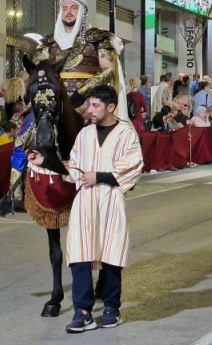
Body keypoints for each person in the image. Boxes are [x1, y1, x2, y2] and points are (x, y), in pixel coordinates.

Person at [27, 85, 143, 333]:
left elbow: (133, 166)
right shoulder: (85, 134)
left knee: (111, 254)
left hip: (110, 198)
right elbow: (74, 168)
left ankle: (112, 308)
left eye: (95, 106)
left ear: (110, 107)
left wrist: (99, 176)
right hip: (84, 201)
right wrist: (45, 161)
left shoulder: (125, 133)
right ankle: (82, 312)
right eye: (88, 105)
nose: (88, 110)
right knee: (79, 254)